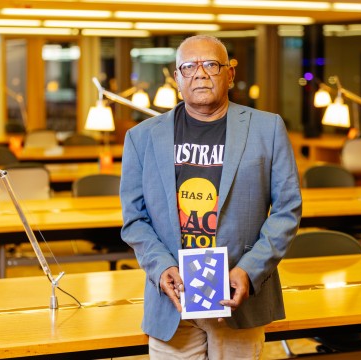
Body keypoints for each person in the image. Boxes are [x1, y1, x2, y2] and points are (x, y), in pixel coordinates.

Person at [120, 34, 302, 359]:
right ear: (177, 78)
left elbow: (287, 210)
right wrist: (161, 268)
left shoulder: (268, 129)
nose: (200, 73)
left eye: (211, 65)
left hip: (238, 297)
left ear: (229, 74)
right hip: (171, 299)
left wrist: (249, 270)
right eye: (188, 66)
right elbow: (134, 219)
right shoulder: (141, 138)